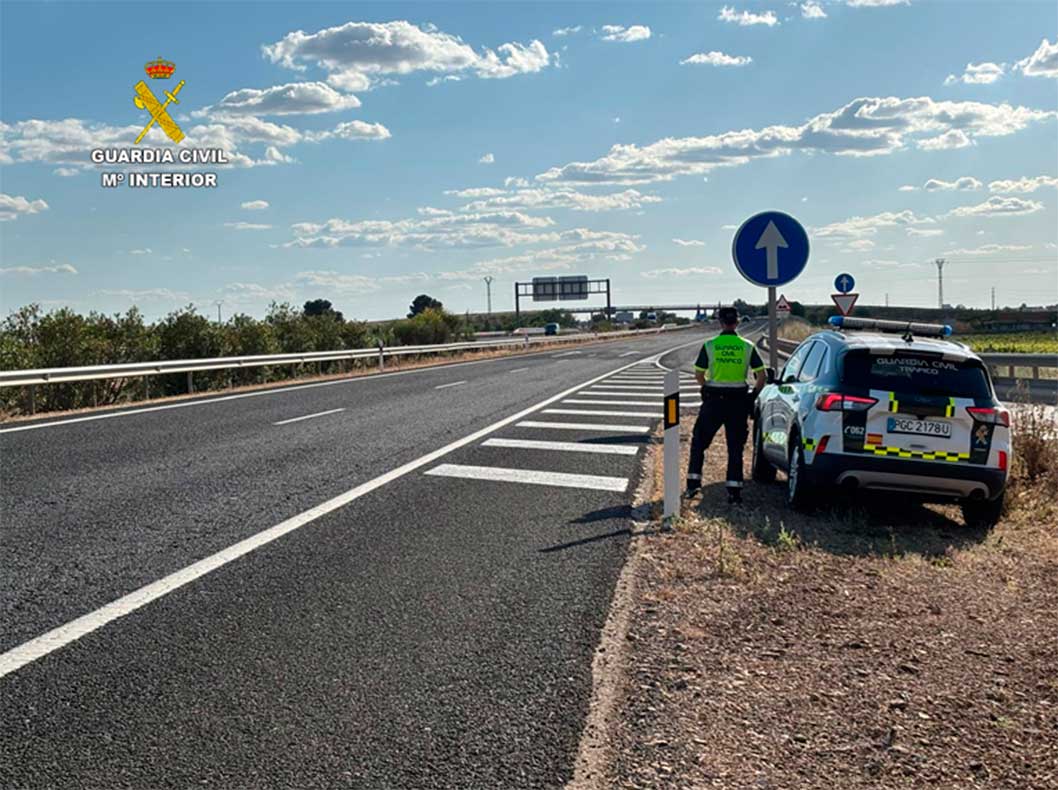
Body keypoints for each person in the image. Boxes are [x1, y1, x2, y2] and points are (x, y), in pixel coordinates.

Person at [685, 307, 767, 504]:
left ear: (720, 322)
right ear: (737, 322)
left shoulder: (710, 345)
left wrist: (705, 386)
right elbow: (761, 375)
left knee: (699, 443)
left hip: (713, 400)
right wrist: (753, 395)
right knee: (735, 447)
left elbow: (699, 374)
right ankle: (734, 490)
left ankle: (693, 485)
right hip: (738, 401)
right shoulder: (747, 346)